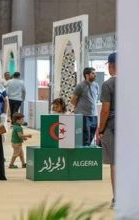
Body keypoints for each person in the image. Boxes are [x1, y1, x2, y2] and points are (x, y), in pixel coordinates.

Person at [98, 52, 116, 208]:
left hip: (113, 126)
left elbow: (105, 110)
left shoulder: (108, 84)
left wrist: (100, 128)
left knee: (115, 162)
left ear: (111, 66)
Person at [70, 67, 99, 146]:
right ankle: (83, 157)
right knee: (85, 138)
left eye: (95, 73)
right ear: (87, 75)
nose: (95, 75)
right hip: (84, 116)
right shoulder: (80, 86)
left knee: (91, 137)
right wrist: (79, 109)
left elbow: (95, 99)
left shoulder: (96, 85)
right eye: (93, 73)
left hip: (94, 115)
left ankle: (87, 154)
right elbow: (73, 100)